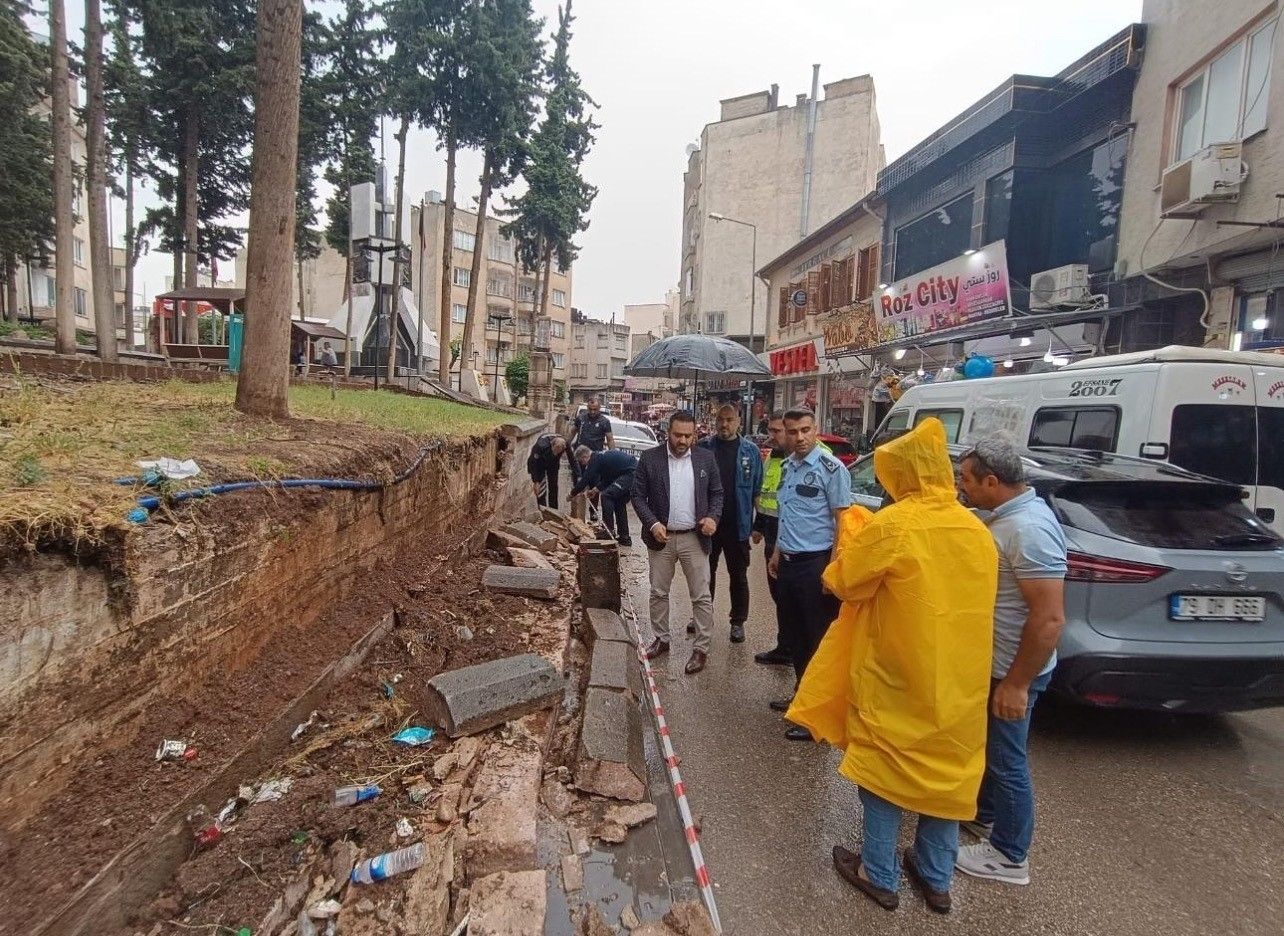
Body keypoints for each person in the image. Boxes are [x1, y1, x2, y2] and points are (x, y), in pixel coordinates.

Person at [788, 417, 998, 914]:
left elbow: (844, 583)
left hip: (898, 674)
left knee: (885, 770)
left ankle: (877, 871)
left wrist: (855, 538)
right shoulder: (975, 529)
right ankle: (934, 875)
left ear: (903, 474)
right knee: (945, 775)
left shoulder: (895, 525)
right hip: (961, 683)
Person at [955, 435, 1067, 887]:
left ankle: (1010, 854)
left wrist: (1017, 683)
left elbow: (1049, 618)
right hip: (996, 663)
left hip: (1012, 668)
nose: (961, 487)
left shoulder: (1029, 530)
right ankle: (985, 816)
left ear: (992, 480)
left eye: (966, 480)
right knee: (992, 752)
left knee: (1008, 761)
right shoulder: (1006, 516)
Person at [767, 408, 852, 740]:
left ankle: (817, 718)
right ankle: (802, 698)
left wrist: (832, 571)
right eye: (793, 431)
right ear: (785, 433)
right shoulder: (788, 467)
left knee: (816, 641)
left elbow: (842, 524)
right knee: (797, 638)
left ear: (816, 429)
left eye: (805, 430)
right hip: (788, 562)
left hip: (815, 564)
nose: (799, 437)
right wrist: (776, 553)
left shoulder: (832, 470)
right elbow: (787, 516)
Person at [631, 410, 724, 675]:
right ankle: (661, 638)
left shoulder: (706, 458)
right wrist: (652, 523)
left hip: (695, 538)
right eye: (677, 435)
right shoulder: (650, 458)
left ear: (695, 434)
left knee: (701, 596)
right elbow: (637, 495)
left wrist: (713, 518)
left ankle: (701, 648)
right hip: (661, 537)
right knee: (658, 592)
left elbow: (717, 492)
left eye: (688, 435)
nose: (682, 440)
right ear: (667, 432)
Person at [695, 404, 762, 643]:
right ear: (715, 421)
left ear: (739, 421)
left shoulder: (751, 452)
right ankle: (703, 617)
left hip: (738, 525)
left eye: (729, 420)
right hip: (708, 524)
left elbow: (757, 490)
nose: (724, 424)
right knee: (705, 574)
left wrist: (759, 524)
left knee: (738, 576)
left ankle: (737, 622)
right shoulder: (703, 448)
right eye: (721, 420)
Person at [751, 413, 791, 666]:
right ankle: (785, 646)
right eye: (770, 430)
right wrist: (758, 525)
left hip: (789, 539)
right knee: (779, 596)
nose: (771, 436)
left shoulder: (799, 460)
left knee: (789, 598)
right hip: (771, 534)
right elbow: (765, 495)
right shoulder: (773, 458)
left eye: (776, 431)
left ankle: (793, 650)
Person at [571, 445, 638, 545]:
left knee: (606, 496)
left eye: (581, 461)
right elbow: (608, 479)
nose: (583, 465)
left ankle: (608, 531)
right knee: (619, 503)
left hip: (631, 474)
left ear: (585, 456)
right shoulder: (601, 458)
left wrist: (572, 494)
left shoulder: (595, 459)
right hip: (629, 473)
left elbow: (586, 479)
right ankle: (624, 537)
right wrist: (595, 490)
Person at [526, 433, 569, 510]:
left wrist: (578, 478)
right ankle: (543, 510)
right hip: (539, 463)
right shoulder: (540, 446)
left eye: (558, 453)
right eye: (555, 451)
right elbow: (533, 464)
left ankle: (554, 510)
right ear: (552, 446)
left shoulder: (565, 443)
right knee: (540, 488)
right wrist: (536, 481)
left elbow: (573, 461)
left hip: (553, 464)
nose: (556, 453)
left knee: (553, 485)